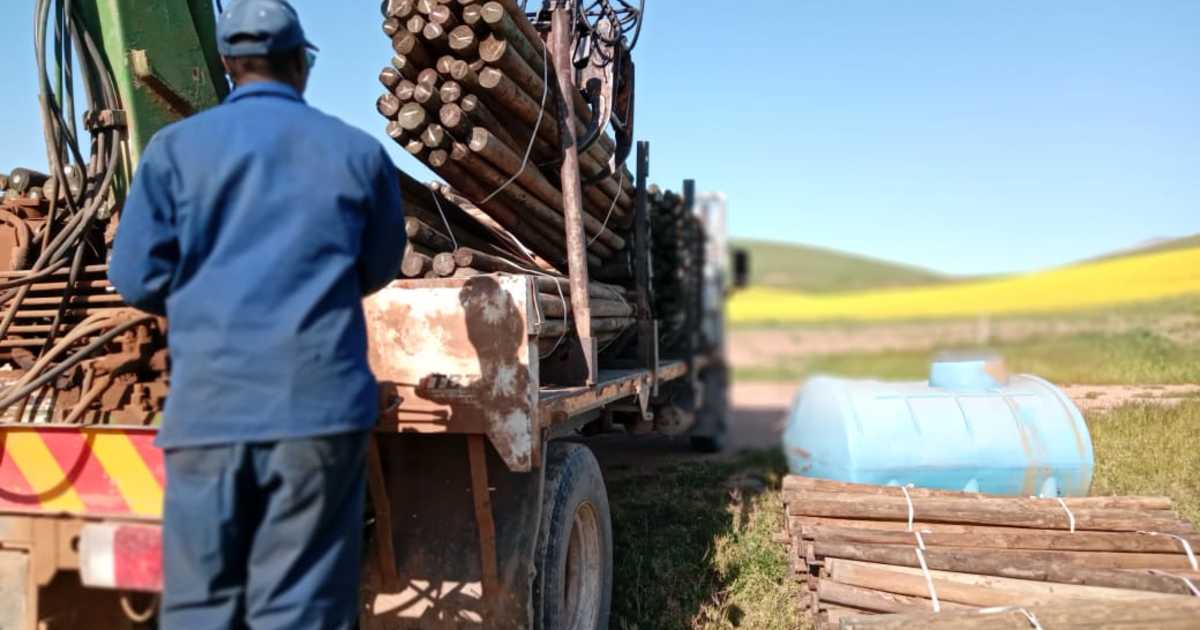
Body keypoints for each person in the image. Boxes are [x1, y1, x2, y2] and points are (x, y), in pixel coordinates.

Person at [108, 1, 406, 627]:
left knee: (202, 609)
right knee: (300, 609)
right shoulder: (357, 154)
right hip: (317, 419)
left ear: (225, 66)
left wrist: (207, 300)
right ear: (301, 64)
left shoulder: (171, 152)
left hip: (208, 417)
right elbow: (377, 268)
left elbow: (134, 277)